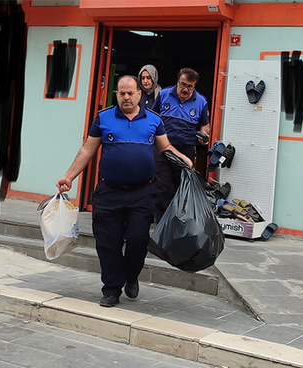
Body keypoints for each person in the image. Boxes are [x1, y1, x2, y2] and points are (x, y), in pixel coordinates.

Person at [56, 75, 192, 308]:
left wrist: (183, 159)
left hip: (143, 192)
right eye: (122, 93)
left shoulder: (154, 119)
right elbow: (88, 150)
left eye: (131, 93)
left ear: (140, 94)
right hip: (109, 191)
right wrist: (69, 177)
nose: (126, 97)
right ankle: (111, 289)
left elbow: (165, 146)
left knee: (138, 239)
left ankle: (131, 276)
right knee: (108, 242)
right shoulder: (103, 118)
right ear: (116, 95)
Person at [151, 67, 210, 223]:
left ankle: (177, 223)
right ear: (177, 82)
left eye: (190, 86)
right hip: (162, 147)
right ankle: (162, 224)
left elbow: (205, 125)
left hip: (186, 149)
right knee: (162, 186)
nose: (186, 89)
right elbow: (152, 117)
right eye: (183, 84)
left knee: (181, 188)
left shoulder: (201, 101)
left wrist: (205, 135)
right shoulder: (164, 95)